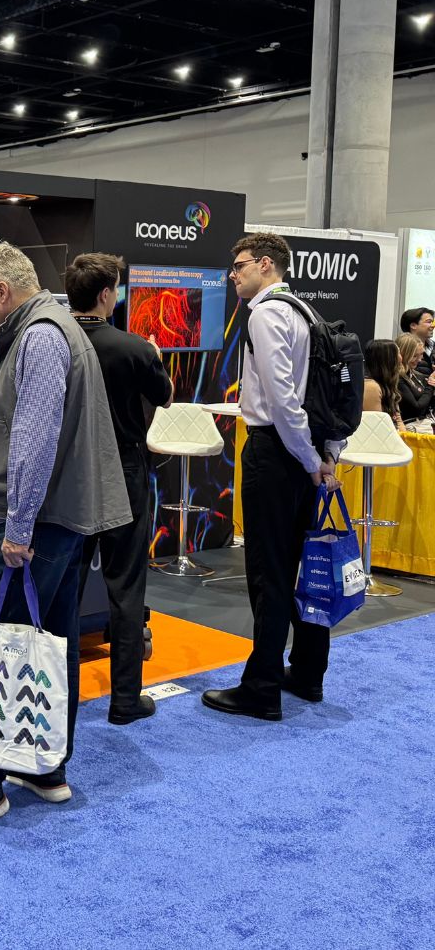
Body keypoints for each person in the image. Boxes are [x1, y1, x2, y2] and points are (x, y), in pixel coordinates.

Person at [0, 242, 131, 834]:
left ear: (2, 291)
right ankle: (46, 765)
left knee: (7, 643)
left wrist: (18, 527)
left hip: (39, 525)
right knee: (53, 640)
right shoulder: (52, 327)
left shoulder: (40, 336)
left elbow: (36, 441)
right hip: (59, 519)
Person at [202, 232, 341, 722]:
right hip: (304, 454)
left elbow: (283, 400)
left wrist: (308, 459)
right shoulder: (306, 312)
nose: (233, 275)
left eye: (239, 265)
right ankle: (306, 674)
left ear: (265, 264)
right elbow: (327, 396)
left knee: (270, 574)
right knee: (303, 567)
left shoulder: (265, 313)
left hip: (277, 453)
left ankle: (261, 688)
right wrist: (324, 457)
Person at [65, 252, 173, 726]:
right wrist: (155, 358)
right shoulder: (134, 348)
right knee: (126, 588)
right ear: (106, 294)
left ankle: (57, 698)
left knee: (64, 590)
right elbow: (165, 396)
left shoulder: (53, 343)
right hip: (125, 472)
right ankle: (125, 700)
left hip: (70, 475)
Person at [363, 338, 404, 430]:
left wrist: (404, 436)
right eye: (398, 353)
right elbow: (376, 427)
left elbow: (398, 421)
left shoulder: (388, 385)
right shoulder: (371, 387)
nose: (401, 358)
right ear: (388, 359)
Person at [396, 333, 435, 427]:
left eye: (421, 354)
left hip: (425, 423)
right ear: (402, 355)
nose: (419, 360)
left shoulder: (416, 375)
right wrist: (430, 386)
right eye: (414, 356)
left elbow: (427, 403)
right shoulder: (398, 379)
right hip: (411, 426)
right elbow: (417, 409)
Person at [399, 307, 434, 378]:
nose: (433, 326)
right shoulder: (400, 348)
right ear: (413, 325)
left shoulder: (433, 346)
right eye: (429, 322)